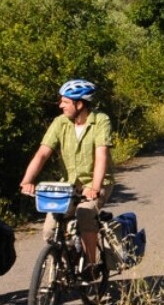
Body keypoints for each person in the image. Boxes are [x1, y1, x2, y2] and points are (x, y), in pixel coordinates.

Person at [19, 79, 114, 277]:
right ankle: (65, 264)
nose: (60, 105)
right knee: (50, 230)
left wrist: (95, 188)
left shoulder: (100, 120)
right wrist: (27, 180)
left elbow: (101, 156)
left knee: (85, 213)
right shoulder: (60, 122)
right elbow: (42, 154)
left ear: (79, 104)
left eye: (65, 101)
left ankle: (90, 266)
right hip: (68, 186)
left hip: (96, 183)